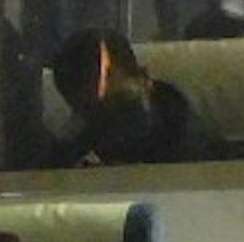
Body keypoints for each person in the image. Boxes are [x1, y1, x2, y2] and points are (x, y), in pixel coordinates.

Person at [47, 28, 199, 164]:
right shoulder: (71, 159)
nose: (114, 123)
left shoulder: (200, 155)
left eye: (122, 104)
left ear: (144, 79)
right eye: (96, 115)